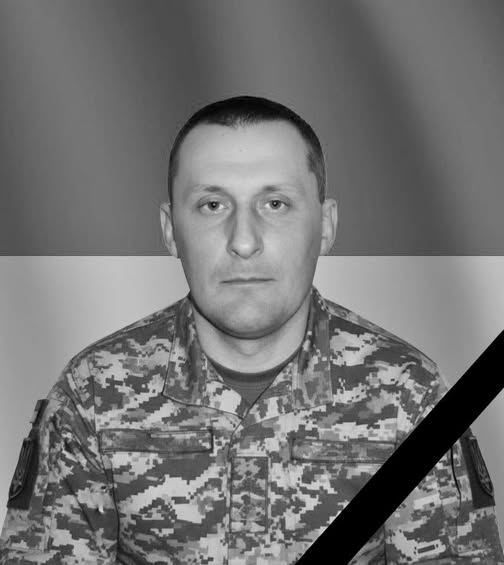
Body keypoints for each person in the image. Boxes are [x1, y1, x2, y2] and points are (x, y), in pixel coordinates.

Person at [0, 95, 502, 565]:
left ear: (326, 225)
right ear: (170, 230)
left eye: (275, 204)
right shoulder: (94, 395)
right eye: (212, 205)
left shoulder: (407, 396)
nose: (243, 241)